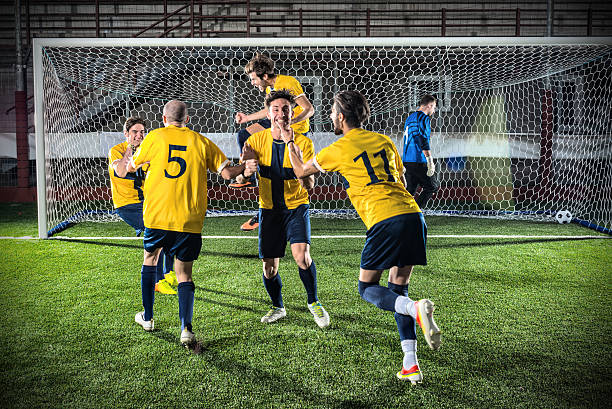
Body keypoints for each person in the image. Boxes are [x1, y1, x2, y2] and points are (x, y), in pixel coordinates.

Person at [281, 90, 441, 383]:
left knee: (368, 288)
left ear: (341, 117)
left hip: (385, 219)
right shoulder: (383, 140)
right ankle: (411, 363)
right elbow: (402, 180)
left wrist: (289, 139)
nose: (330, 116)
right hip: (413, 215)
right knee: (398, 289)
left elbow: (301, 171)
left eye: (332, 111)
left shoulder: (338, 148)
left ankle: (416, 309)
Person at [126, 100, 256, 345]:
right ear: (187, 120)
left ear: (163, 119)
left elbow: (133, 165)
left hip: (158, 215)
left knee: (150, 259)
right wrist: (245, 167)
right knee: (184, 274)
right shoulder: (201, 141)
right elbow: (228, 174)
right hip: (189, 218)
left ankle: (148, 317)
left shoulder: (154, 137)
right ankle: (186, 328)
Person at [243, 89, 329, 329]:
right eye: (276, 109)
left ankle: (314, 302)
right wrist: (247, 171)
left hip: (296, 207)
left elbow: (310, 184)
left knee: (302, 257)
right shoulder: (256, 141)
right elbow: (242, 178)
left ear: (293, 113)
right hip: (269, 210)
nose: (281, 114)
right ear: (269, 113)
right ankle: (278, 306)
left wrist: (294, 152)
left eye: (286, 109)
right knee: (269, 268)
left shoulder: (304, 142)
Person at [232, 53, 315, 232]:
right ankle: (249, 175)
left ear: (265, 76)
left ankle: (267, 211)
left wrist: (290, 122)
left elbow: (309, 109)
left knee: (280, 175)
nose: (252, 83)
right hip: (276, 126)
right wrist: (246, 118)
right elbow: (268, 112)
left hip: (294, 132)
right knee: (243, 136)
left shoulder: (287, 83)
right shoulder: (272, 88)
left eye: (254, 79)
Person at [108, 117, 177, 295]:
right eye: (134, 132)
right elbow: (121, 172)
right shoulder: (116, 151)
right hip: (127, 205)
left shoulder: (147, 151)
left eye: (141, 132)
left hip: (147, 202)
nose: (139, 135)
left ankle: (169, 272)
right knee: (156, 231)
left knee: (172, 225)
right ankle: (158, 281)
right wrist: (130, 150)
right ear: (126, 134)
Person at [402, 94, 439, 209]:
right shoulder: (423, 118)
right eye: (434, 107)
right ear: (429, 105)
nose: (434, 110)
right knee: (432, 186)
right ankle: (417, 212)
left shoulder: (410, 118)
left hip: (407, 160)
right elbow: (422, 139)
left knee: (410, 191)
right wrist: (429, 160)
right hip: (418, 160)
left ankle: (401, 214)